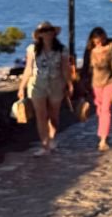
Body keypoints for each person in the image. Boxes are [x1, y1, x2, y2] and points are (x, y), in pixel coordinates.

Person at [17, 22, 72, 156]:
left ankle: (52, 138)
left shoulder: (61, 49)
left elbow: (65, 69)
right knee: (41, 116)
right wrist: (21, 87)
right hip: (37, 83)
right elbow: (28, 68)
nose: (47, 33)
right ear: (39, 34)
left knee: (54, 115)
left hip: (56, 83)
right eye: (44, 31)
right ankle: (44, 144)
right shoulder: (32, 49)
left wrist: (69, 84)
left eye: (49, 30)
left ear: (53, 32)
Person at [81, 26, 112, 152]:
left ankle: (103, 139)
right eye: (96, 41)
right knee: (100, 110)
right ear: (92, 40)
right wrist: (83, 82)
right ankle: (103, 131)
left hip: (110, 81)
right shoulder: (89, 50)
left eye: (101, 40)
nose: (99, 43)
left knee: (106, 110)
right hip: (95, 84)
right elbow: (85, 67)